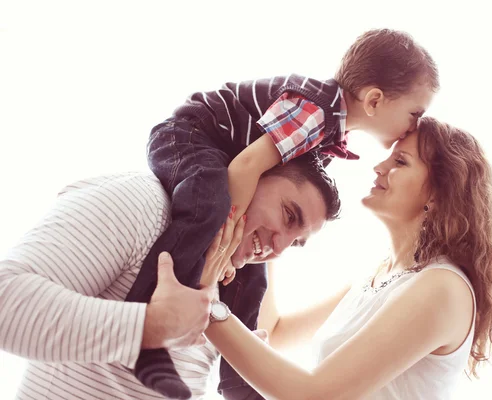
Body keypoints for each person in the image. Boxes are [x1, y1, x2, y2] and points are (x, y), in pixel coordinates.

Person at [128, 28, 438, 398]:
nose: (415, 124)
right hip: (191, 136)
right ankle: (142, 328)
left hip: (222, 160)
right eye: (415, 113)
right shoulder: (316, 112)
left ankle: (240, 388)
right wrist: (224, 248)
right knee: (208, 206)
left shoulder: (328, 135)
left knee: (254, 281)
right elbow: (244, 169)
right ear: (374, 100)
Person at [187, 116, 492, 399]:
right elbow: (278, 331)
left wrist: (204, 302)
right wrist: (265, 225)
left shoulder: (442, 289)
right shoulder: (377, 278)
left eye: (401, 162)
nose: (380, 167)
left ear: (436, 195)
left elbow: (314, 395)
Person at [0, 152, 340, 400]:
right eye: (288, 215)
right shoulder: (141, 202)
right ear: (253, 172)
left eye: (295, 244)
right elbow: (5, 300)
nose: (279, 247)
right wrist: (150, 325)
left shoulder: (230, 280)